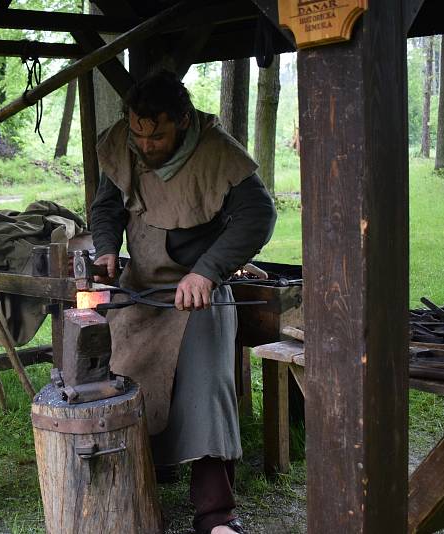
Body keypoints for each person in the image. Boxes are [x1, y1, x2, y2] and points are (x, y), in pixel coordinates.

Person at [90, 70, 277, 534]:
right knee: (125, 375)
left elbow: (259, 214)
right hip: (143, 288)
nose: (145, 144)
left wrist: (208, 271)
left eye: (156, 135)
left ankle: (216, 515)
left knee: (205, 385)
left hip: (199, 290)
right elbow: (107, 205)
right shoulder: (123, 143)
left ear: (183, 120)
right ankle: (150, 472)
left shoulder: (218, 152)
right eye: (138, 132)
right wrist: (108, 247)